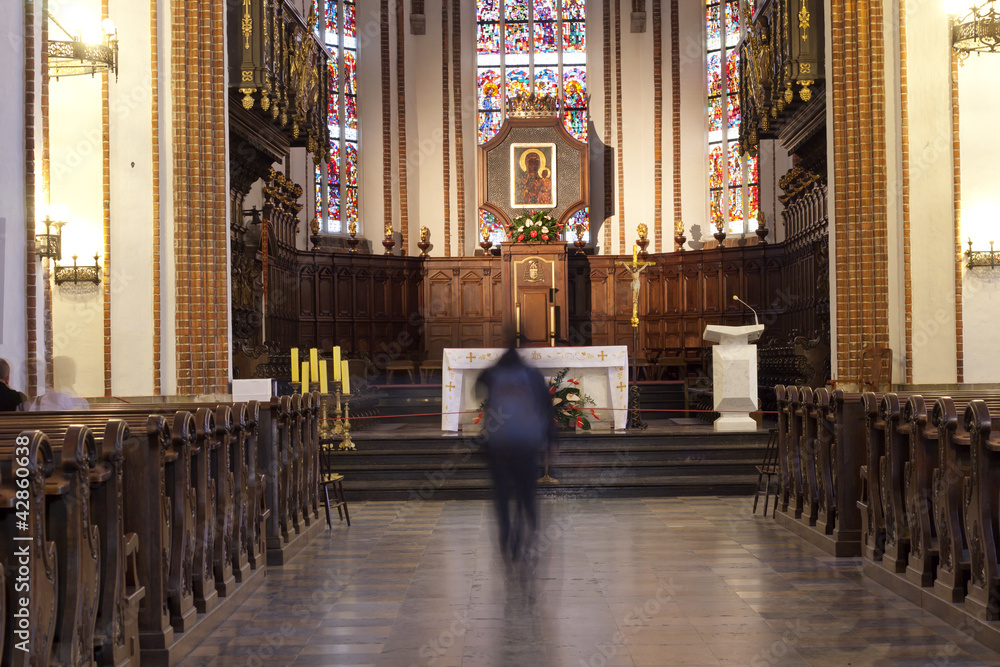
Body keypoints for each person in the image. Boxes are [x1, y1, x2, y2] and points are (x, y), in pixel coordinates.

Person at [476, 346, 556, 565]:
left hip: (499, 445)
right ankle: (528, 527)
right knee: (526, 491)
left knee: (502, 493)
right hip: (526, 443)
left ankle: (506, 532)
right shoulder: (531, 375)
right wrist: (551, 441)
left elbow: (478, 389)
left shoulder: (494, 374)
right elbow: (546, 408)